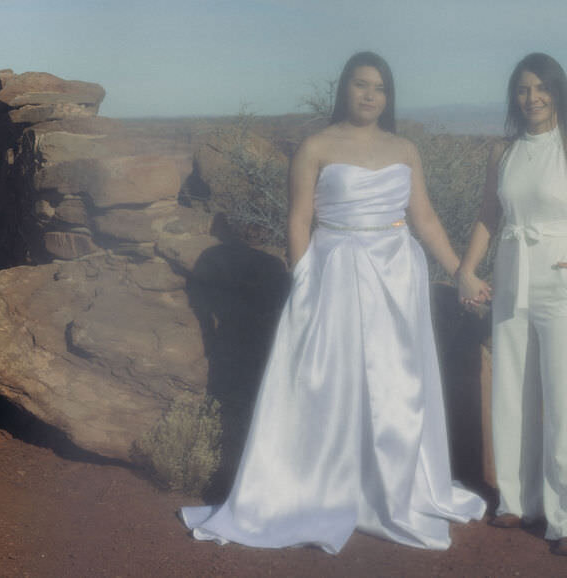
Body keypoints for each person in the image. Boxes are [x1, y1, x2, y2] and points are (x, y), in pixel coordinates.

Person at [181, 51, 486, 553]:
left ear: (388, 97)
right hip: (335, 272)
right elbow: (298, 221)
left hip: (395, 274)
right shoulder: (316, 146)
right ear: (344, 89)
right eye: (361, 84)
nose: (370, 95)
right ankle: (324, 486)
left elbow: (425, 219)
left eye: (380, 88)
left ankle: (390, 485)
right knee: (330, 379)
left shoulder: (405, 148)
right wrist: (304, 279)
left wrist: (460, 272)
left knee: (396, 382)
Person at [456, 53, 567, 556]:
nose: (532, 98)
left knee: (566, 396)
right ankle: (517, 500)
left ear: (557, 92)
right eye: (523, 89)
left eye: (542, 88)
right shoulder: (503, 152)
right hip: (512, 275)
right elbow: (487, 217)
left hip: (562, 279)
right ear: (514, 96)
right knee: (511, 391)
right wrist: (468, 270)